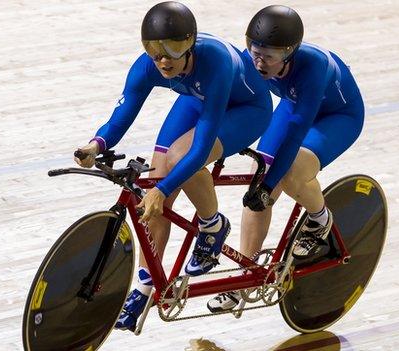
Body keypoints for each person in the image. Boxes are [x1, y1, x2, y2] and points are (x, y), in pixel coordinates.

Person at [74, 1, 272, 330]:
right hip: (197, 97)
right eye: (155, 50)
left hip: (246, 109)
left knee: (179, 160)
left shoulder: (216, 63)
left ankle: (212, 225)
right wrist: (96, 145)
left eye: (173, 49)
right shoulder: (147, 66)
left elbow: (201, 146)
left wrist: (165, 190)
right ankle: (145, 285)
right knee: (154, 187)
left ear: (190, 44)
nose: (163, 59)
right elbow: (123, 113)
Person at [206, 5, 365, 313]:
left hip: (337, 116)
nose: (259, 62)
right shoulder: (251, 60)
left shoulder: (314, 67)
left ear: (289, 54)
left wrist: (272, 182)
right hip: (295, 105)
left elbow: (296, 134)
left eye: (269, 56)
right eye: (255, 52)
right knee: (258, 181)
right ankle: (244, 277)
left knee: (290, 173)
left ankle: (319, 219)